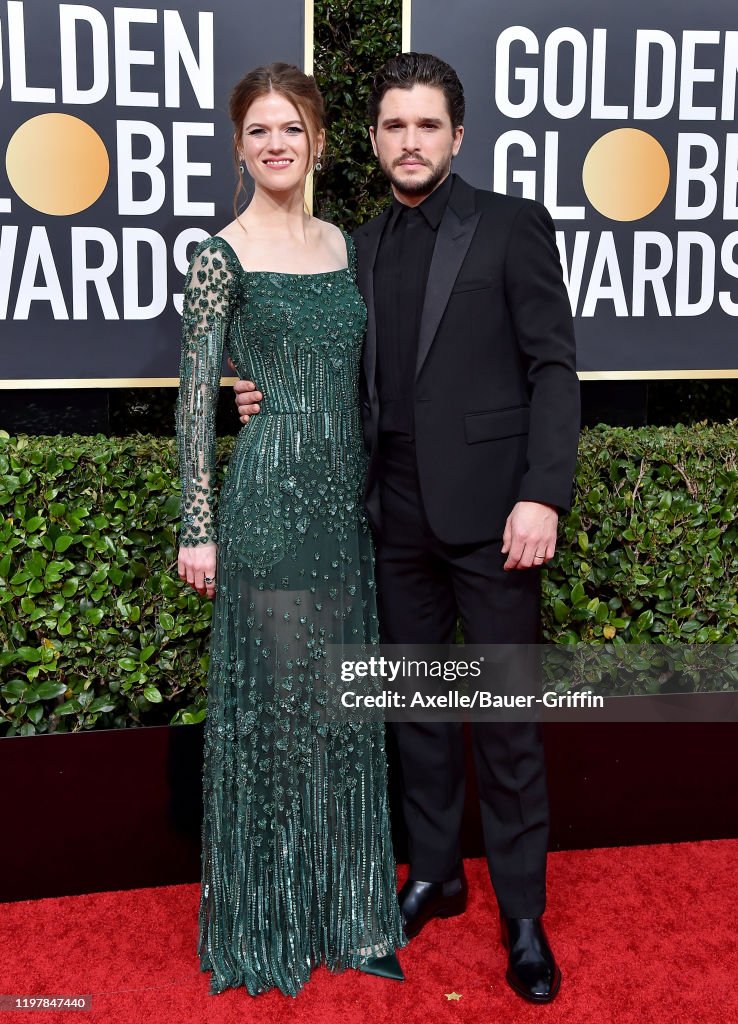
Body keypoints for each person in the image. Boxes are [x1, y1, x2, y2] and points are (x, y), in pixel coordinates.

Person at [234, 53, 581, 1004]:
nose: (411, 141)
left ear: (457, 135)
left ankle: (523, 916)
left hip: (497, 520)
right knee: (419, 716)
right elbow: (341, 367)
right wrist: (268, 391)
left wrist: (543, 494)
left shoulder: (510, 225)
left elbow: (555, 368)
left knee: (507, 726)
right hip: (392, 519)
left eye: (428, 125)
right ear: (375, 139)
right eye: (395, 126)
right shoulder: (362, 245)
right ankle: (436, 871)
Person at [175, 61, 406, 998]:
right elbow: (195, 401)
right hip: (268, 503)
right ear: (240, 146)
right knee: (277, 716)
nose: (278, 144)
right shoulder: (219, 254)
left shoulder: (346, 246)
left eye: (294, 129)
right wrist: (198, 528)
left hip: (343, 507)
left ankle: (348, 914)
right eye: (261, 130)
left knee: (340, 709)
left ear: (317, 142)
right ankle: (266, 920)